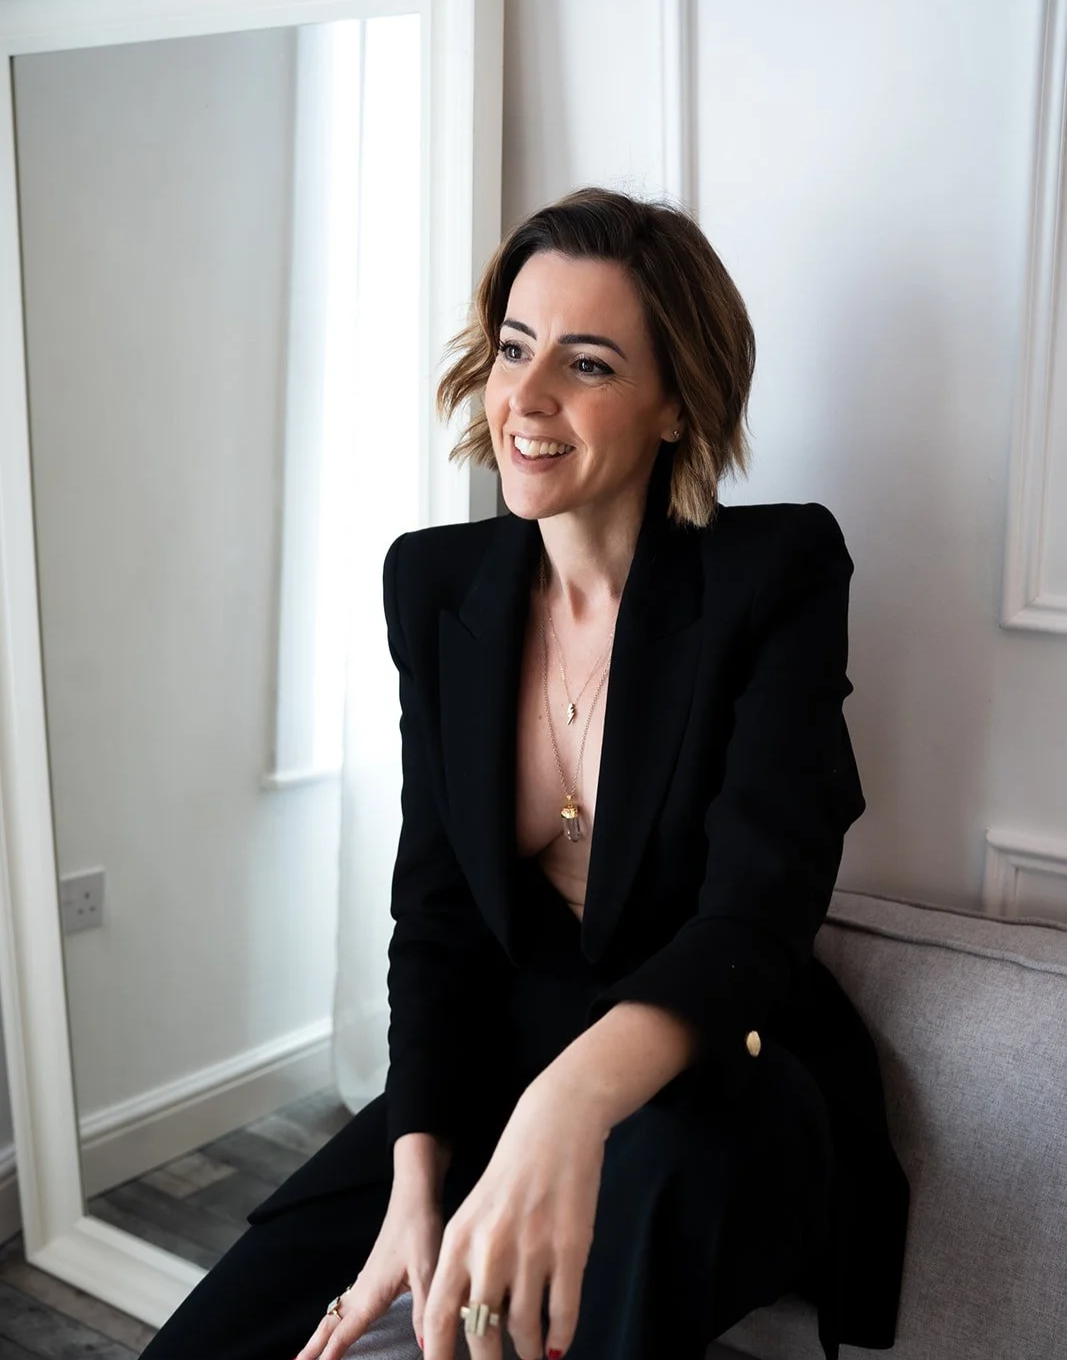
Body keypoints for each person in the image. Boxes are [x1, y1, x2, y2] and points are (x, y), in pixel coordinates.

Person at [139, 188, 908, 1360]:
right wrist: (414, 1189)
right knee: (228, 1328)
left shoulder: (777, 574)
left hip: (723, 1076)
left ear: (672, 405)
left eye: (587, 363)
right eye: (513, 346)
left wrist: (568, 1103)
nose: (527, 396)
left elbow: (754, 915)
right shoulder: (435, 586)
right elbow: (436, 919)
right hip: (504, 1060)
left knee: (641, 1200)